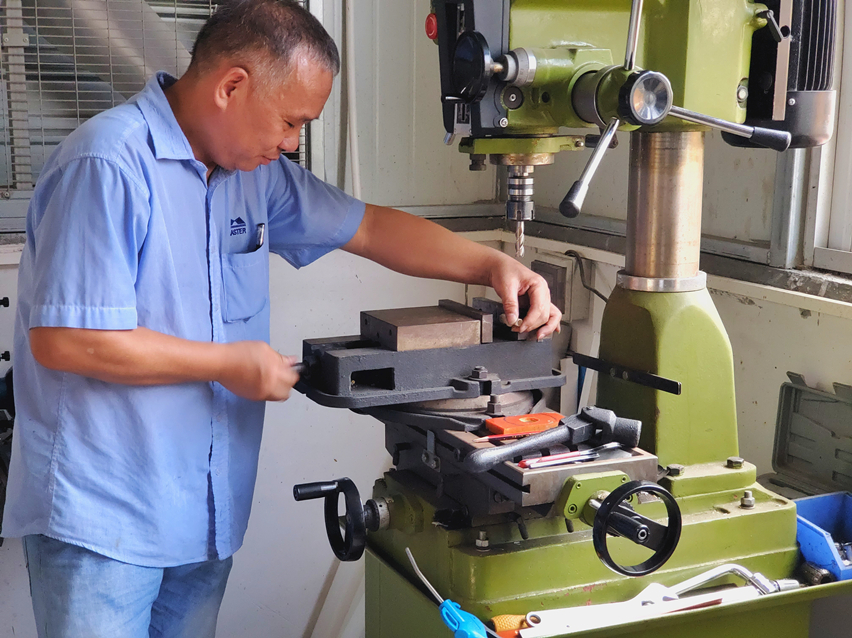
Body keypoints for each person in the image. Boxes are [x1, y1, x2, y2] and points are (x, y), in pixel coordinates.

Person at [1, 1, 561, 636]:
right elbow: (65, 340)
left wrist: (493, 265)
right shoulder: (106, 164)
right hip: (103, 520)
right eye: (290, 121)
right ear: (232, 86)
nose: (293, 142)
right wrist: (226, 363)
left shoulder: (255, 177)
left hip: (204, 513)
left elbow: (369, 228)